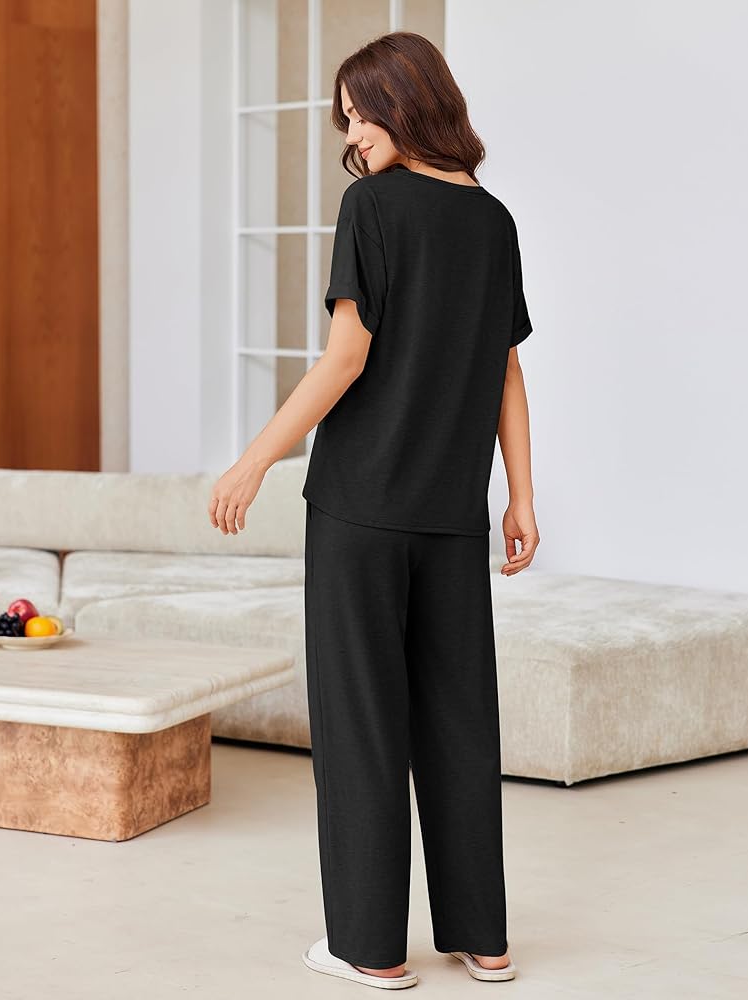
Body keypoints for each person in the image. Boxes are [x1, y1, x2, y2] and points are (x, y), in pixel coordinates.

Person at [208, 30, 539, 991]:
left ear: (404, 102)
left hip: (359, 508)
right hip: (453, 513)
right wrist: (520, 495)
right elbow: (506, 371)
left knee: (360, 726)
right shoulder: (494, 220)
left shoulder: (373, 207)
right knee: (458, 722)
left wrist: (253, 461)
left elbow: (345, 358)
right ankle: (484, 940)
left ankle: (370, 948)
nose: (351, 135)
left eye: (359, 113)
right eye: (345, 119)